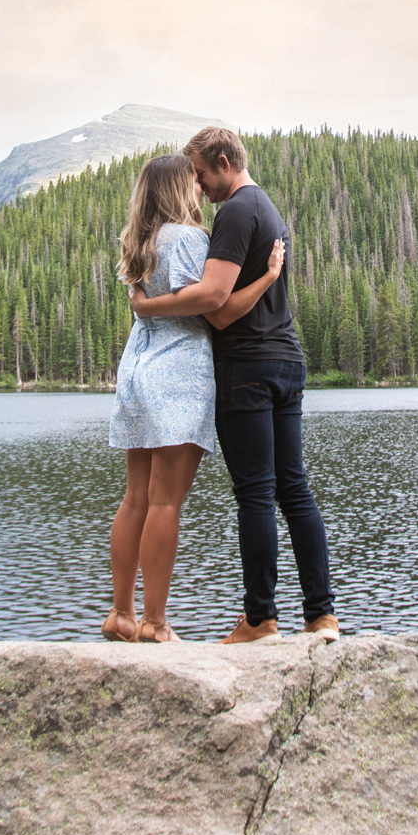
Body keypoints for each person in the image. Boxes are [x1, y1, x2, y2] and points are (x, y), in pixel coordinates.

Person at [128, 127, 338, 644]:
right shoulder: (267, 207)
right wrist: (265, 280)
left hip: (247, 368)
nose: (197, 185)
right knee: (294, 488)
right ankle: (321, 616)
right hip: (287, 361)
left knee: (256, 495)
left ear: (223, 161)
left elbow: (216, 306)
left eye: (199, 172)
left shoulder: (236, 212)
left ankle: (260, 619)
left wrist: (148, 306)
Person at [105, 152, 284, 644]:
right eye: (192, 183)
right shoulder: (188, 239)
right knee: (166, 502)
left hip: (137, 368)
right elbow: (212, 303)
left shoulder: (137, 242)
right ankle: (156, 624)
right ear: (177, 191)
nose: (200, 191)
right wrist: (267, 277)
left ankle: (121, 613)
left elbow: (149, 306)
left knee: (135, 497)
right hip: (178, 373)